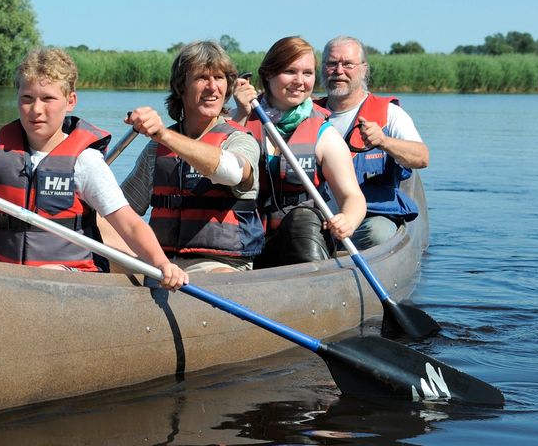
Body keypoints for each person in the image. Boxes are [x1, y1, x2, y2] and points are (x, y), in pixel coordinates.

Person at [0, 47, 187, 290]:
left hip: (68, 272)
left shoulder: (85, 162)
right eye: (27, 98)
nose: (36, 109)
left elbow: (130, 225)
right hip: (5, 266)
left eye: (48, 99)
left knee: (43, 276)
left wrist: (162, 264)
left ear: (70, 102)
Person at [117, 40, 264, 273]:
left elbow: (232, 172)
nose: (212, 87)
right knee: (98, 243)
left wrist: (164, 134)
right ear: (181, 87)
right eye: (201, 78)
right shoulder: (156, 150)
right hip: (161, 263)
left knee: (218, 276)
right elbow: (120, 210)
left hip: (219, 265)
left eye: (220, 78)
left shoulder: (240, 140)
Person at [232, 36, 366, 267]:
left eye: (307, 73)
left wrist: (348, 220)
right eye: (290, 71)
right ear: (268, 75)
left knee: (303, 219)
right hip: (242, 238)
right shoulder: (240, 119)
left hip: (299, 243)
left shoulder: (324, 134)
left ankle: (316, 288)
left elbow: (353, 197)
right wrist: (240, 116)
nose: (299, 81)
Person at [315, 36, 429, 249]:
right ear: (322, 68)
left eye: (348, 64)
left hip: (366, 222)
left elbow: (422, 157)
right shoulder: (306, 113)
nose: (339, 71)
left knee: (378, 233)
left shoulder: (390, 114)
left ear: (364, 69)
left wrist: (384, 141)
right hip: (316, 220)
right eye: (331, 63)